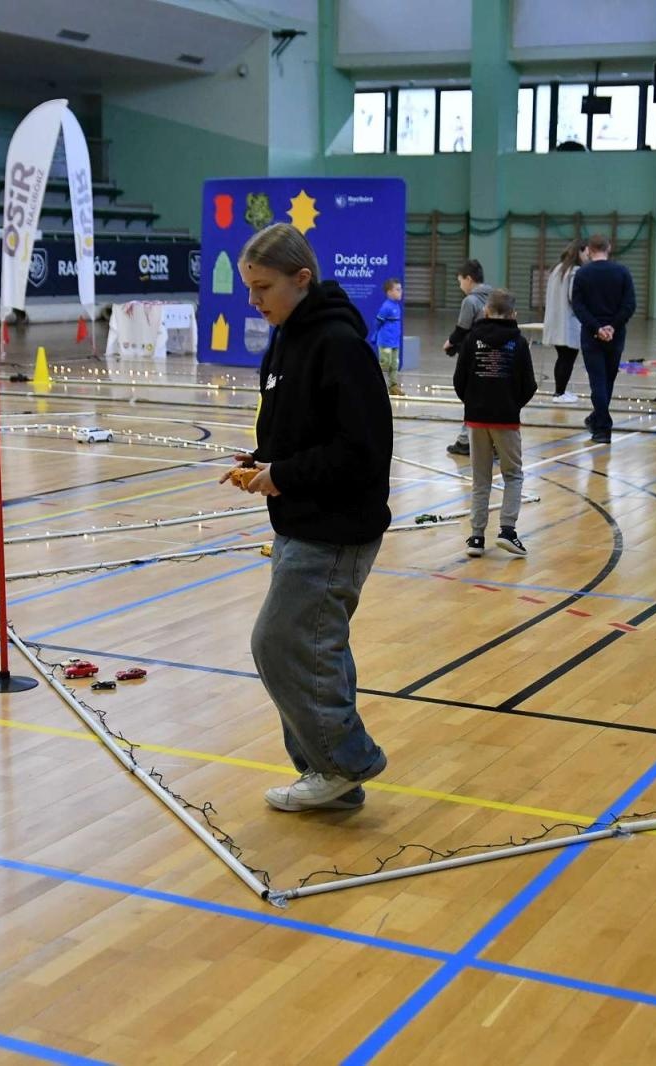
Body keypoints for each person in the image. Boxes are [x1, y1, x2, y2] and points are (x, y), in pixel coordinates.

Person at [221, 223, 392, 812]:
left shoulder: (339, 344)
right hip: (300, 518)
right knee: (315, 647)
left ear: (301, 279)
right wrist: (262, 461)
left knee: (281, 643)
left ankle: (344, 761)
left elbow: (360, 449)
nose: (254, 301)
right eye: (249, 288)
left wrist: (283, 475)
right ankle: (328, 777)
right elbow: (299, 428)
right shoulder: (287, 335)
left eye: (263, 287)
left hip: (336, 526)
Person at [454, 289, 536, 559]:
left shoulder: (471, 338)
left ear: (486, 312)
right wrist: (512, 406)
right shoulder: (519, 342)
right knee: (513, 475)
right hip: (506, 419)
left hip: (476, 419)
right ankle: (507, 532)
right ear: (514, 315)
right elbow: (529, 384)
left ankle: (476, 537)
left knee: (480, 479)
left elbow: (459, 379)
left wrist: (473, 403)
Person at [569, 234, 636, 444]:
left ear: (589, 249)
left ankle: (602, 427)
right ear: (609, 247)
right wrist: (613, 326)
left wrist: (597, 327)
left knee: (598, 381)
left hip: (591, 334)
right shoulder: (622, 272)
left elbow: (578, 306)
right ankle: (599, 420)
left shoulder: (582, 274)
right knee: (607, 380)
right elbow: (629, 305)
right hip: (616, 335)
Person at [444, 260, 494, 456]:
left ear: (469, 279)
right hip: (494, 354)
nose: (460, 286)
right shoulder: (494, 296)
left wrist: (449, 343)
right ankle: (489, 441)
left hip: (474, 356)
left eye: (460, 281)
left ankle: (465, 441)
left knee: (472, 397)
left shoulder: (470, 301)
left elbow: (462, 329)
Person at [541, 239, 587, 404]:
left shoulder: (558, 269)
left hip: (555, 321)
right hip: (568, 323)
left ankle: (559, 391)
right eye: (586, 253)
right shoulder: (574, 271)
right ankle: (559, 393)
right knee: (567, 358)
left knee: (562, 357)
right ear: (579, 252)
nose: (588, 257)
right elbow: (573, 298)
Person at [367, 277, 404, 396]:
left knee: (394, 365)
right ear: (389, 292)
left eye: (400, 289)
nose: (400, 292)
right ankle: (370, 380)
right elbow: (378, 322)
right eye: (397, 289)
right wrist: (375, 335)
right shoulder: (386, 307)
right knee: (385, 363)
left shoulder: (397, 307)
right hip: (385, 342)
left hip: (395, 342)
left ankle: (393, 387)